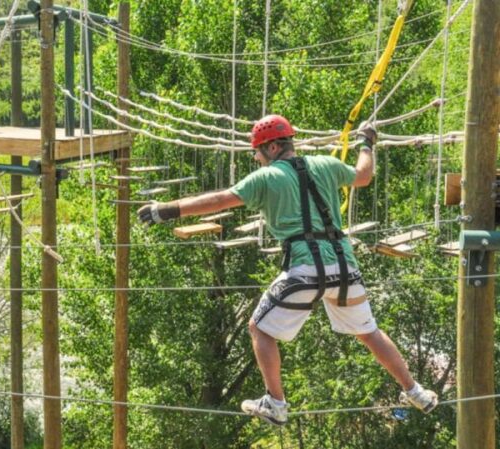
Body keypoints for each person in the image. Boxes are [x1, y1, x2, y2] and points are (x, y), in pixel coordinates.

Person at [137, 114, 438, 426]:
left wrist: (167, 210)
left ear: (273, 147)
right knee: (369, 332)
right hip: (344, 267)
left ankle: (276, 403)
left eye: (257, 151)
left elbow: (220, 200)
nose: (255, 157)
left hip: (304, 268)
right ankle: (415, 391)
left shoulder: (266, 178)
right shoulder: (326, 164)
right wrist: (367, 142)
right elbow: (363, 176)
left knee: (259, 329)